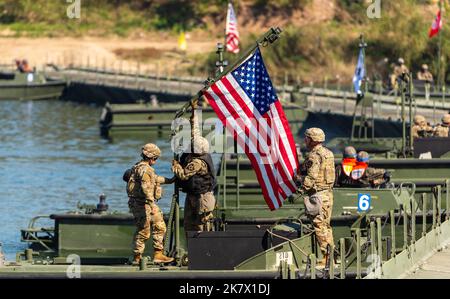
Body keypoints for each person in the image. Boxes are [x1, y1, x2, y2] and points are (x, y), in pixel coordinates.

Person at [172, 100, 216, 237]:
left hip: (201, 199)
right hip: (193, 195)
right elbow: (195, 131)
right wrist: (195, 111)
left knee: (201, 227)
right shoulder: (199, 148)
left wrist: (176, 165)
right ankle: (191, 249)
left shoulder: (197, 162)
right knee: (189, 225)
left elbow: (184, 175)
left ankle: (204, 252)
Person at [126, 143, 175, 265]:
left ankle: (158, 254)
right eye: (156, 158)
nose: (156, 161)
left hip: (146, 204)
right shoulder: (145, 169)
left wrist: (171, 180)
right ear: (152, 158)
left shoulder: (140, 167)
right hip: (143, 204)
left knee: (160, 226)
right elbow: (145, 187)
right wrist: (151, 202)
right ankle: (137, 257)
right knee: (143, 231)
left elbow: (155, 179)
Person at [297, 128, 335, 267]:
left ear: (312, 140)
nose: (305, 140)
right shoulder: (328, 153)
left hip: (318, 195)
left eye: (307, 138)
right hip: (327, 194)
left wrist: (301, 190)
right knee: (326, 226)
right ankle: (330, 257)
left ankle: (327, 258)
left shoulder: (314, 155)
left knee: (320, 226)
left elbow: (311, 176)